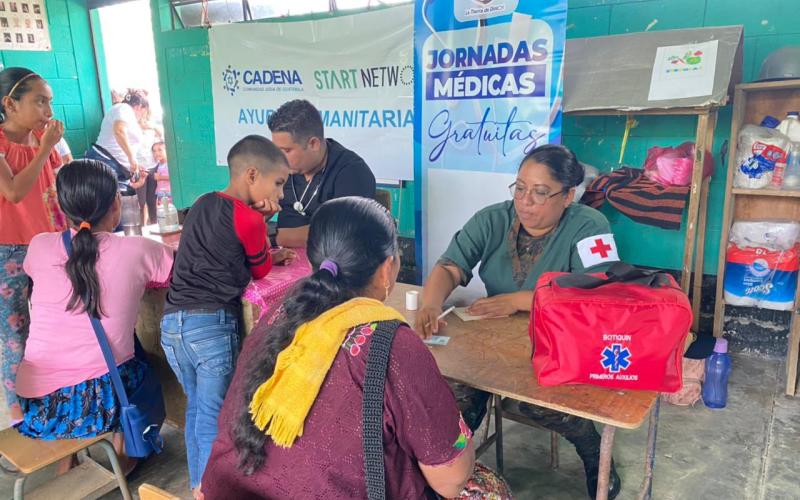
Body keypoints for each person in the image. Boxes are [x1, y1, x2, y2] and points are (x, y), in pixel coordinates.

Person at [202, 197, 494, 499]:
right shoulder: (393, 345)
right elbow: (451, 480)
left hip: (225, 490)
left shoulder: (279, 313)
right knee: (483, 487)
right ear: (387, 269)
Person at [415, 144, 622, 500]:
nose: (525, 202)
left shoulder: (590, 226)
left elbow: (594, 296)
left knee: (540, 403)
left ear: (567, 196)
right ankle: (447, 475)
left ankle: (592, 451)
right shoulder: (492, 219)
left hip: (559, 339)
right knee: (458, 396)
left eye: (540, 192)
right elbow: (450, 266)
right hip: (495, 338)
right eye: (520, 188)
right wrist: (431, 304)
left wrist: (515, 301)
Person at [15, 159, 173, 475]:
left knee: (105, 350)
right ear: (116, 202)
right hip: (98, 402)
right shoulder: (138, 250)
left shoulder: (39, 246)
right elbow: (173, 272)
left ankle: (68, 457)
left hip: (38, 403)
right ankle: (124, 454)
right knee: (139, 365)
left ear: (62, 206)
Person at [161, 135, 296, 498]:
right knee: (214, 416)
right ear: (252, 175)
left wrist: (258, 225)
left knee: (196, 409)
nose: (281, 194)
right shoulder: (249, 219)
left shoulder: (202, 202)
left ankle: (196, 485)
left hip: (173, 324)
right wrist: (262, 223)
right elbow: (261, 269)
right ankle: (209, 491)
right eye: (278, 183)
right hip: (211, 327)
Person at [0, 67, 66, 423]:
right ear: (10, 104)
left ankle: (55, 403)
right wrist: (44, 149)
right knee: (15, 335)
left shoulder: (45, 140)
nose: (48, 111)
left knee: (54, 326)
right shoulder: (6, 142)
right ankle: (21, 416)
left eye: (49, 102)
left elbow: (56, 192)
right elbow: (13, 191)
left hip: (48, 246)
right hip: (7, 251)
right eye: (39, 102)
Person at [267, 99, 376, 248]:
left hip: (330, 259)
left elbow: (337, 233)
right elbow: (260, 210)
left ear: (313, 144)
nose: (279, 158)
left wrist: (275, 238)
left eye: (286, 150)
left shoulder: (352, 172)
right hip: (279, 256)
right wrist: (260, 215)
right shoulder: (284, 167)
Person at [87, 88, 149, 184]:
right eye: (143, 112)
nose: (142, 116)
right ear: (139, 107)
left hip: (116, 167)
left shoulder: (126, 114)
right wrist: (131, 158)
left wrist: (133, 164)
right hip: (106, 161)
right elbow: (119, 131)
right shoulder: (124, 108)